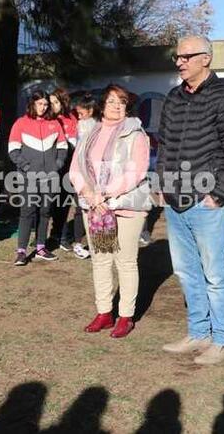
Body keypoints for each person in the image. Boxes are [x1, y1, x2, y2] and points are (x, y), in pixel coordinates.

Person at [158, 35, 224, 364]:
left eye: (187, 56)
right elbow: (165, 147)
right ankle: (198, 333)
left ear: (206, 59)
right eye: (177, 57)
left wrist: (220, 194)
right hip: (175, 200)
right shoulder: (173, 98)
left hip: (208, 202)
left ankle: (222, 339)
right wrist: (164, 186)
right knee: (185, 272)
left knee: (215, 275)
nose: (180, 62)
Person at [70, 84, 151, 338]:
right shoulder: (89, 133)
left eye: (122, 101)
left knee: (124, 261)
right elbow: (75, 169)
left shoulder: (136, 134)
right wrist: (89, 194)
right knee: (101, 260)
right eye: (112, 101)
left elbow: (135, 172)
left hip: (125, 205)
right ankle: (104, 312)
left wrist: (105, 194)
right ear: (101, 105)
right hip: (93, 206)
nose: (117, 106)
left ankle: (125, 316)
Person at [9, 90, 68, 266]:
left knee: (44, 211)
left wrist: (57, 165)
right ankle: (21, 252)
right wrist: (26, 167)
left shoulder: (55, 123)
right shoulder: (21, 123)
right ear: (32, 104)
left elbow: (63, 147)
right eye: (39, 104)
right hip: (29, 177)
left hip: (50, 177)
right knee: (27, 212)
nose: (42, 107)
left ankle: (41, 247)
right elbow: (13, 149)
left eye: (45, 104)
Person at [48, 88, 89, 260]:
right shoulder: (47, 119)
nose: (52, 106)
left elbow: (73, 145)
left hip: (69, 167)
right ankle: (49, 237)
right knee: (51, 204)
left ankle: (63, 237)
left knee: (66, 203)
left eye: (56, 102)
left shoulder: (71, 119)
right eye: (50, 102)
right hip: (50, 167)